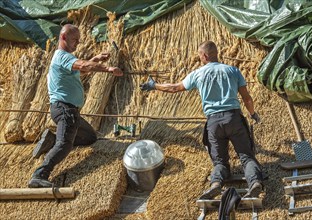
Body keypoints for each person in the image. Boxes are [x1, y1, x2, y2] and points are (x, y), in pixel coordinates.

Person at [140, 41, 263, 198]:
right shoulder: (232, 71)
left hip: (213, 123)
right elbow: (247, 99)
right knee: (246, 156)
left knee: (219, 162)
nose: (199, 59)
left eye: (199, 56)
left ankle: (216, 183)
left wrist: (154, 85)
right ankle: (255, 183)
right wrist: (252, 114)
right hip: (233, 118)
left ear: (204, 55)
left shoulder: (198, 74)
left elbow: (174, 88)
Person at [28, 24, 123, 188]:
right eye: (75, 40)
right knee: (65, 144)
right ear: (63, 37)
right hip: (65, 110)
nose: (77, 43)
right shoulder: (62, 56)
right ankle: (39, 174)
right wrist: (108, 69)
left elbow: (82, 71)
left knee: (89, 137)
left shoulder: (64, 59)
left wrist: (96, 59)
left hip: (70, 111)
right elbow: (84, 66)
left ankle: (51, 139)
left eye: (78, 40)